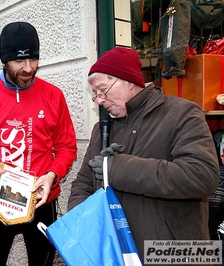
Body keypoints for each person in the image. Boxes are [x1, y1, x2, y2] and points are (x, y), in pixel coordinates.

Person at [67, 47, 220, 260]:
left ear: (129, 81)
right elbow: (83, 184)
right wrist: (84, 224)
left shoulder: (182, 113)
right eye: (95, 94)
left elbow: (202, 176)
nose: (100, 100)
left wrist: (118, 167)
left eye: (103, 90)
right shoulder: (102, 128)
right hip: (117, 252)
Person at [0, 22, 77, 266]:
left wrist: (53, 174)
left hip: (41, 200)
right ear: (4, 60)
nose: (28, 68)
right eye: (19, 62)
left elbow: (67, 147)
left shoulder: (53, 96)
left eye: (34, 59)